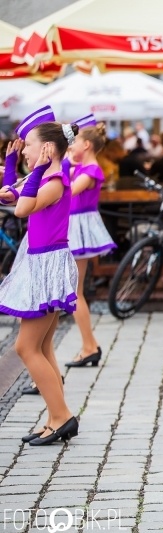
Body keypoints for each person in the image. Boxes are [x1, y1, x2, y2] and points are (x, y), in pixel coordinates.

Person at [0, 106, 80, 446]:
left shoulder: (55, 180)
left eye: (30, 145)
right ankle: (54, 416)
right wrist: (9, 169)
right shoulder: (46, 178)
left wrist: (36, 169)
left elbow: (21, 208)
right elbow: (12, 196)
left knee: (25, 346)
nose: (26, 150)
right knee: (43, 345)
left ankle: (62, 417)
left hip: (47, 268)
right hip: (43, 263)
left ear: (47, 148)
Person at [64, 115, 117, 368]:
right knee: (75, 292)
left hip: (79, 229)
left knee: (76, 293)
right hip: (76, 227)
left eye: (74, 142)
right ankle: (89, 344)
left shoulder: (92, 169)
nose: (71, 146)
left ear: (86, 145)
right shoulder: (83, 167)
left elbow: (68, 191)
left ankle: (89, 346)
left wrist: (63, 163)